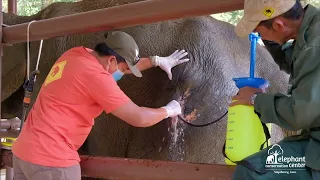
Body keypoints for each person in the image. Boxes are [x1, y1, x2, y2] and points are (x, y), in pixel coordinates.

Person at [11, 31, 190, 180]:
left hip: (23, 153)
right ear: (111, 60)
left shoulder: (75, 54)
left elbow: (120, 66)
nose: (123, 74)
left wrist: (156, 60)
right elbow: (139, 117)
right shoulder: (97, 79)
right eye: (122, 69)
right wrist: (169, 110)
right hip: (51, 161)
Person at [230, 0, 320, 179]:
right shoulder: (311, 30)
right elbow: (295, 63)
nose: (258, 35)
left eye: (258, 31)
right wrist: (271, 40)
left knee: (250, 171)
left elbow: (300, 114)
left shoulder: (314, 47)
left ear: (279, 25)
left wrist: (255, 99)